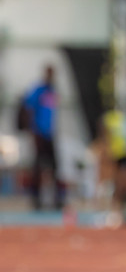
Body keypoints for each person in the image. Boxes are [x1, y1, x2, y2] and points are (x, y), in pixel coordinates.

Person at [21, 65, 65, 210]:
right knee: (38, 167)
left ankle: (57, 199)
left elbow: (51, 113)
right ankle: (36, 199)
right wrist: (33, 132)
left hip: (49, 133)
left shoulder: (52, 91)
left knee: (54, 167)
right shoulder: (38, 90)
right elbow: (28, 110)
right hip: (39, 133)